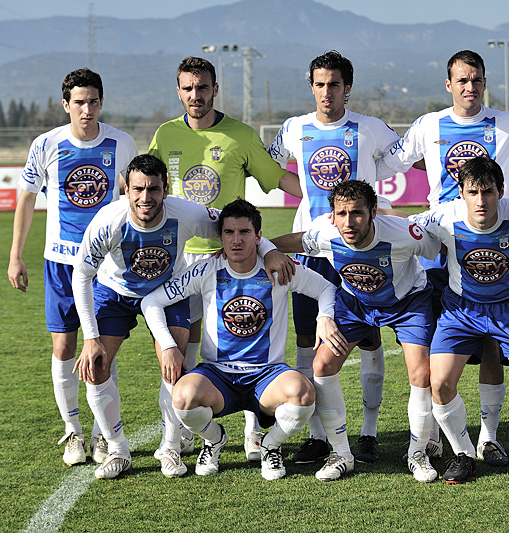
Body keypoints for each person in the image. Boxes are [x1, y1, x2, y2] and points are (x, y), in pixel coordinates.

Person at [376, 49, 509, 466]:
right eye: (462, 80)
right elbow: (386, 163)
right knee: (434, 355)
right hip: (440, 250)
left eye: (476, 80)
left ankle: (490, 438)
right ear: (449, 85)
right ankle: (436, 438)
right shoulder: (428, 126)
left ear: (485, 82)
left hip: (500, 240)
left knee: (494, 348)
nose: (469, 87)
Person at [71, 155, 290, 479]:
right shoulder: (108, 221)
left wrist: (269, 249)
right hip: (115, 292)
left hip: (167, 291)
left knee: (173, 366)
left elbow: (236, 227)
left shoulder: (186, 212)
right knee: (96, 367)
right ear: (127, 190)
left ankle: (170, 448)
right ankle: (117, 449)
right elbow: (81, 274)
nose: (145, 198)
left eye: (153, 189)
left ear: (166, 189)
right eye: (138, 189)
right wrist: (90, 338)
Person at [149, 56, 297, 461]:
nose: (195, 96)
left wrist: (329, 202)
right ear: (178, 91)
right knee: (179, 352)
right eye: (187, 88)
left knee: (245, 341)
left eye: (202, 88)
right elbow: (145, 186)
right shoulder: (165, 134)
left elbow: (277, 177)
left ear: (216, 90)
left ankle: (253, 432)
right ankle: (173, 442)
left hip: (231, 259)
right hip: (177, 263)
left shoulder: (240, 135)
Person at [141, 198, 344, 479]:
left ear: (259, 237)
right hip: (218, 375)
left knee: (303, 394)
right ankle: (214, 439)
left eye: (245, 233)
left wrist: (324, 317)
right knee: (183, 398)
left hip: (267, 374)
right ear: (220, 237)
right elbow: (151, 301)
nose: (236, 241)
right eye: (229, 233)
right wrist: (168, 346)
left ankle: (270, 445)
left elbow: (327, 290)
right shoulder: (206, 269)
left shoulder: (280, 269)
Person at [268, 50, 401, 464]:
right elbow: (267, 168)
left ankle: (368, 431)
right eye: (320, 84)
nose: (327, 92)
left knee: (369, 337)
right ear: (312, 87)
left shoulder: (371, 129)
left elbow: (403, 161)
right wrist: (306, 193)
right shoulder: (294, 129)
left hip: (359, 246)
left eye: (335, 85)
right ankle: (317, 435)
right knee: (308, 338)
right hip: (311, 249)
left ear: (348, 88)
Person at [7, 68, 137, 467]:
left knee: (102, 354)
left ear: (101, 102)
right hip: (60, 263)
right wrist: (15, 255)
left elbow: (131, 200)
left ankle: (102, 434)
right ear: (66, 105)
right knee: (63, 347)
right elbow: (26, 200)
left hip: (106, 266)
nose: (86, 109)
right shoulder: (46, 144)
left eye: (93, 101)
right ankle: (72, 432)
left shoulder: (121, 143)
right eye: (78, 102)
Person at [271, 180, 441, 482]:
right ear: (333, 215)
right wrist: (266, 248)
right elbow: (295, 241)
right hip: (356, 304)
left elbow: (433, 244)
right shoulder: (326, 233)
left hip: (408, 303)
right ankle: (342, 454)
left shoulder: (402, 234)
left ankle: (418, 453)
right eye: (342, 213)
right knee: (322, 365)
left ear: (373, 212)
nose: (349, 222)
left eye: (358, 213)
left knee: (421, 373)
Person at [412, 157, 509, 484]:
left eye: (488, 191)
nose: (481, 200)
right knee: (440, 384)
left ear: (501, 191)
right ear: (461, 193)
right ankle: (463, 453)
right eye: (473, 192)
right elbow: (399, 224)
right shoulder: (444, 216)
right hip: (461, 311)